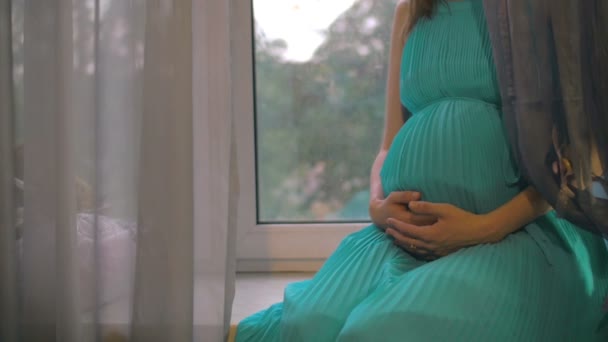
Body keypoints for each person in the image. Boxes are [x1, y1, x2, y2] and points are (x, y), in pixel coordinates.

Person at [236, 0, 608, 340]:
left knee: (380, 333)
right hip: (398, 238)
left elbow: (574, 157)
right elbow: (388, 143)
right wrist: (377, 204)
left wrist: (485, 227)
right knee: (307, 326)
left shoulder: (544, 9)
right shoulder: (411, 10)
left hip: (513, 236)